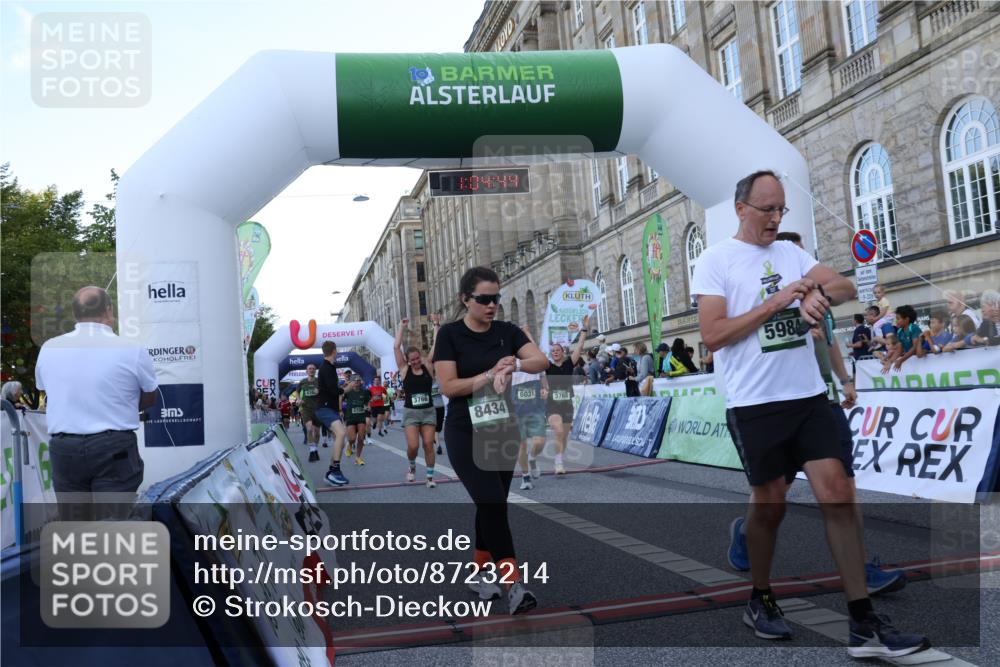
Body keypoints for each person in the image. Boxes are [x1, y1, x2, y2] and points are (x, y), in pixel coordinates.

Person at [693, 171, 927, 657]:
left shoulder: (791, 253)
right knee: (771, 505)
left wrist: (821, 294)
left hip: (807, 397)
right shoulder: (715, 261)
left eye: (781, 210)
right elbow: (713, 335)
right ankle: (760, 597)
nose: (776, 219)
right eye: (766, 210)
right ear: (741, 209)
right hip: (755, 403)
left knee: (838, 491)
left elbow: (842, 285)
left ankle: (863, 623)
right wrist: (778, 301)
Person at [728, 231, 906, 596]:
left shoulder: (816, 293)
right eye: (795, 255)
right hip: (780, 402)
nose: (803, 263)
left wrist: (845, 381)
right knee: (772, 493)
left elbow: (830, 339)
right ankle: (744, 535)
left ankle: (860, 569)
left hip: (820, 401)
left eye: (804, 256)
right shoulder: (772, 295)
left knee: (843, 484)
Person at [433, 266, 549, 614]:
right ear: (465, 299)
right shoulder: (450, 335)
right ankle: (512, 585)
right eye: (484, 299)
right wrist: (488, 374)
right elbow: (449, 387)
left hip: (501, 427)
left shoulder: (506, 331)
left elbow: (540, 359)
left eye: (496, 298)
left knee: (493, 502)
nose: (492, 305)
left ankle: (480, 572)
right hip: (464, 430)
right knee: (492, 501)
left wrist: (513, 364)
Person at [34, 286, 158, 507]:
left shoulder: (49, 348)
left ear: (75, 314)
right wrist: (121, 405)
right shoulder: (133, 349)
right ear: (109, 311)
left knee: (74, 525)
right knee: (112, 525)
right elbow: (150, 396)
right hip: (114, 447)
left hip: (65, 449)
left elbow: (48, 391)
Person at [394, 319, 437, 488]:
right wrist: (402, 327)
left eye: (417, 358)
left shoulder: (427, 364)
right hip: (411, 413)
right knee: (413, 446)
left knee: (428, 444)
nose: (416, 361)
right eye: (412, 360)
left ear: (420, 356)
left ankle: (430, 478)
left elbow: (436, 345)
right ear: (408, 360)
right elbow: (396, 347)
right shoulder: (405, 370)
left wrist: (435, 327)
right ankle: (412, 467)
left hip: (428, 411)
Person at [545, 315, 589, 475]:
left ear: (562, 352)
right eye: (553, 351)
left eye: (557, 350)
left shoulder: (569, 363)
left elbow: (580, 346)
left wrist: (584, 329)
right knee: (557, 430)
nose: (555, 353)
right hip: (552, 405)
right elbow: (535, 352)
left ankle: (559, 458)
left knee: (563, 435)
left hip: (567, 404)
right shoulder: (547, 366)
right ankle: (558, 463)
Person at [512, 326, 547, 490]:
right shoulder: (510, 361)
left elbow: (543, 375)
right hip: (516, 407)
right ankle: (525, 477)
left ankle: (532, 458)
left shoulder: (535, 361)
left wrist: (545, 389)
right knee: (521, 444)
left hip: (535, 407)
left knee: (540, 441)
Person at [317, 341, 349, 486]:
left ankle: (330, 472)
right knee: (341, 434)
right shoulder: (327, 368)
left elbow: (331, 388)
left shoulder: (328, 367)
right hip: (324, 408)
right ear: (334, 351)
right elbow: (333, 390)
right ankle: (335, 470)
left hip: (330, 408)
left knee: (340, 442)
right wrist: (346, 389)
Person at [881, 305, 922, 372]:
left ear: (906, 319)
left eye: (898, 318)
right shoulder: (899, 331)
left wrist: (901, 360)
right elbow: (899, 350)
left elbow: (914, 348)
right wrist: (890, 362)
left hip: (921, 360)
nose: (896, 321)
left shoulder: (914, 328)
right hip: (913, 362)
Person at [342, 375, 369, 465]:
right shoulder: (348, 392)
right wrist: (339, 410)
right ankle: (349, 445)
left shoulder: (364, 392)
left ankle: (358, 458)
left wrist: (368, 406)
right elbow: (339, 396)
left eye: (359, 380)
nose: (357, 381)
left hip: (361, 417)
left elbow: (367, 401)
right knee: (352, 439)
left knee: (361, 438)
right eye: (355, 380)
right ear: (351, 382)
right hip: (350, 417)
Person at [298, 365, 322, 462]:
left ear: (315, 371)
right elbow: (297, 391)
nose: (311, 370)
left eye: (313, 369)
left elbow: (325, 392)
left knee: (317, 432)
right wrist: (299, 399)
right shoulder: (303, 381)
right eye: (309, 369)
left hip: (318, 409)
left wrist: (319, 391)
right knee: (309, 428)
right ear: (306, 371)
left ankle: (315, 448)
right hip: (306, 409)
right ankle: (312, 451)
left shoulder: (319, 381)